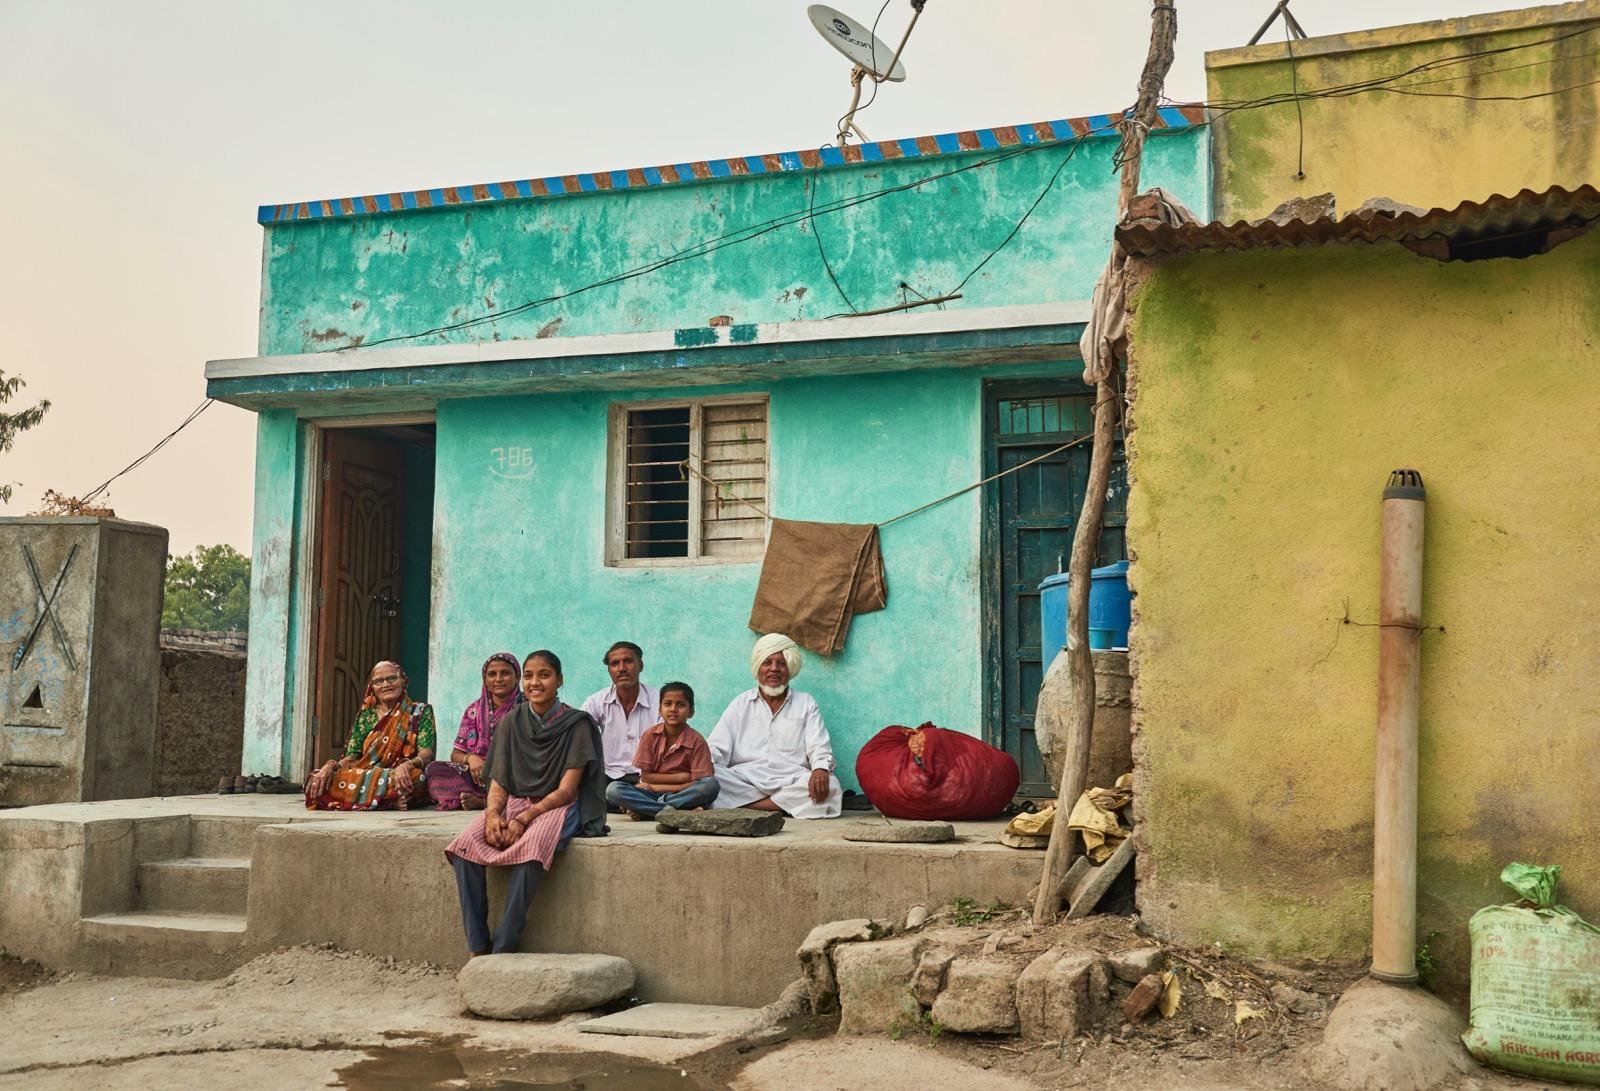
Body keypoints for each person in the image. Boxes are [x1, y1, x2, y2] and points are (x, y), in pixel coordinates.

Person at [444, 650, 608, 956]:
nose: (536, 682)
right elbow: (500, 780)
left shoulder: (577, 724)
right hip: (515, 802)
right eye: (530, 675)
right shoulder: (511, 721)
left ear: (559, 680)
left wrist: (524, 819)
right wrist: (494, 814)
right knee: (464, 847)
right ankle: (478, 947)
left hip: (557, 807)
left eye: (544, 675)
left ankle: (504, 945)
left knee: (532, 850)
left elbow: (568, 790)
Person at [708, 633, 842, 820]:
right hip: (746, 778)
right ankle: (780, 806)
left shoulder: (805, 702)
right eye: (767, 662)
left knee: (832, 785)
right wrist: (701, 767)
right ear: (758, 667)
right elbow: (716, 747)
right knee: (709, 777)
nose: (774, 669)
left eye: (781, 663)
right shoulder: (741, 703)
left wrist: (820, 769)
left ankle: (747, 806)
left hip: (791, 779)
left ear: (790, 668)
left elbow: (818, 745)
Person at [305, 661, 436, 810]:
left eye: (392, 678)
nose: (386, 684)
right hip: (366, 773)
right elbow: (352, 757)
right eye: (379, 681)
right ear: (372, 688)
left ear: (403, 681)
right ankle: (388, 801)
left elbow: (426, 753)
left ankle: (374, 800)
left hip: (399, 774)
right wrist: (330, 767)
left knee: (417, 778)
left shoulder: (419, 711)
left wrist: (407, 765)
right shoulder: (365, 716)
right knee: (315, 779)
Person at [604, 681, 719, 819]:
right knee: (613, 790)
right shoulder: (650, 736)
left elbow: (698, 782)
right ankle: (674, 812)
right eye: (668, 704)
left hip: (683, 794)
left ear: (691, 712)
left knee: (711, 786)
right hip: (651, 794)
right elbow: (646, 777)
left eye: (681, 705)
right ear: (659, 709)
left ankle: (650, 810)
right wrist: (682, 777)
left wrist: (656, 787)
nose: (673, 709)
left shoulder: (697, 741)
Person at [425, 651, 523, 811]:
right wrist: (472, 759)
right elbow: (456, 754)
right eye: (492, 674)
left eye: (505, 673)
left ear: (517, 677)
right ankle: (481, 797)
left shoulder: (526, 707)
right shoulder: (473, 710)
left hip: (511, 773)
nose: (498, 679)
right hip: (478, 776)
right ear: (485, 679)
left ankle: (485, 802)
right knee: (434, 769)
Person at [580, 641, 658, 800]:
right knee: (585, 789)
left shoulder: (660, 700)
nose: (622, 668)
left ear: (640, 665)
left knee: (706, 785)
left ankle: (631, 803)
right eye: (615, 664)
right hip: (609, 778)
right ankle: (644, 803)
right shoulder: (596, 701)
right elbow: (577, 733)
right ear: (609, 670)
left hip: (651, 778)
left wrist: (652, 782)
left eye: (628, 661)